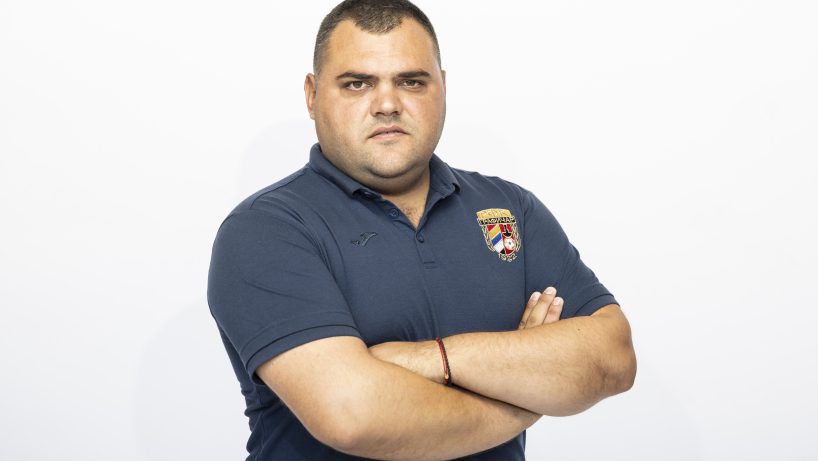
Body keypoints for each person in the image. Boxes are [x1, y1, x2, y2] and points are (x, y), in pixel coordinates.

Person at [207, 0, 636, 459]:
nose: (387, 105)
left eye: (411, 81)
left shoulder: (509, 209)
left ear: (442, 87)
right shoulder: (266, 230)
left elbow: (614, 360)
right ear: (312, 95)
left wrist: (430, 359)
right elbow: (354, 416)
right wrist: (527, 396)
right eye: (357, 84)